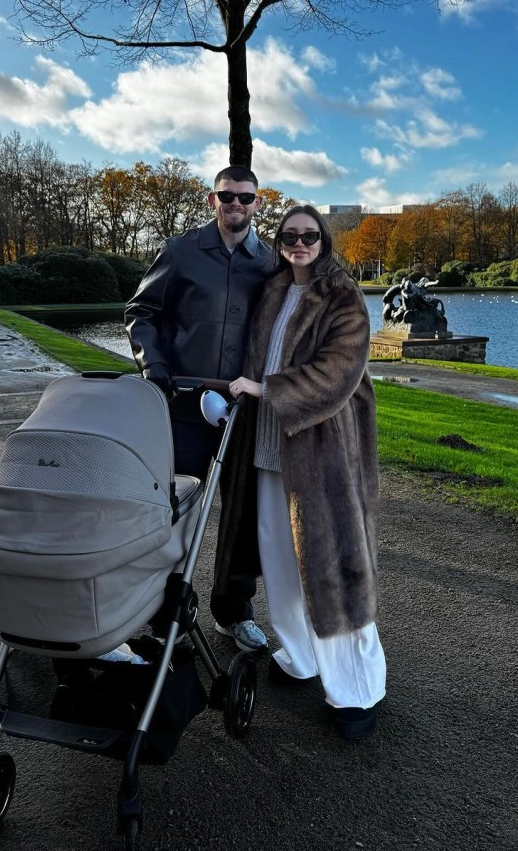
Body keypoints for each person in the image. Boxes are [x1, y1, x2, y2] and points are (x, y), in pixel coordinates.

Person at [222, 204, 386, 739]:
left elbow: (338, 373)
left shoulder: (343, 296)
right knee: (282, 565)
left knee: (335, 569)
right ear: (279, 240)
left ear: (324, 240)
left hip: (325, 455)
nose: (299, 243)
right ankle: (298, 657)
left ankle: (358, 691)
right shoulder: (273, 290)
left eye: (309, 235)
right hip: (270, 452)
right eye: (290, 235)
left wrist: (267, 390)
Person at [125, 165, 273, 652]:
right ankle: (159, 609)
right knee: (172, 506)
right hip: (185, 404)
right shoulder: (181, 250)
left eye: (245, 198)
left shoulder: (267, 263)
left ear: (257, 202)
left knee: (240, 514)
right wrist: (154, 363)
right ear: (213, 200)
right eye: (226, 196)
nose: (236, 205)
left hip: (242, 411)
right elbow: (141, 312)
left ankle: (232, 613)